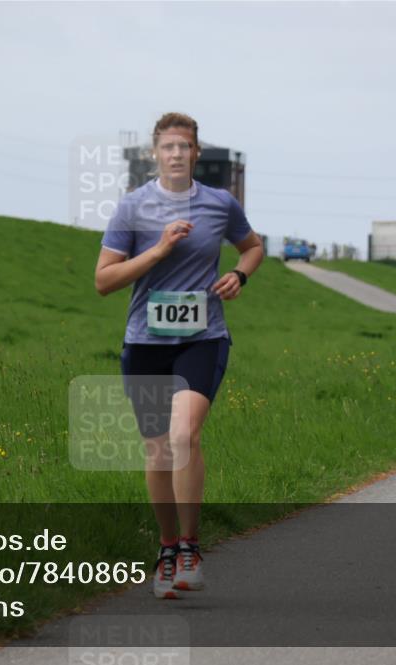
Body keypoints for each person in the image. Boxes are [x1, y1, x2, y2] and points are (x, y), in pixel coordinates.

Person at [94, 112, 263, 599]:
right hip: (145, 342)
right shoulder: (132, 208)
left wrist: (240, 274)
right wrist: (158, 251)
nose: (175, 154)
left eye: (184, 147)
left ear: (195, 152)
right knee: (158, 449)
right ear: (155, 153)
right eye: (167, 147)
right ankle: (167, 549)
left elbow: (251, 247)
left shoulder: (219, 204)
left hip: (201, 337)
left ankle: (190, 547)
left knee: (184, 434)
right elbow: (104, 281)